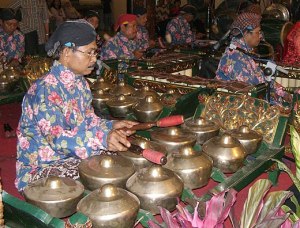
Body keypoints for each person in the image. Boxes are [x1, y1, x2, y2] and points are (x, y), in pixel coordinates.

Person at [16, 20, 137, 191]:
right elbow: (58, 141)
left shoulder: (80, 83)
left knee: (123, 161)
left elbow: (88, 121)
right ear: (66, 52)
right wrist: (102, 137)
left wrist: (111, 125)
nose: (94, 58)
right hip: (43, 167)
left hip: (72, 156)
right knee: (104, 178)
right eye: (89, 52)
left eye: (95, 52)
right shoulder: (45, 90)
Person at [215, 12, 292, 105]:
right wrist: (278, 102)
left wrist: (283, 92)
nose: (260, 36)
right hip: (238, 108)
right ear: (246, 33)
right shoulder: (235, 58)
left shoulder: (244, 53)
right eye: (258, 32)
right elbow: (254, 93)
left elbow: (261, 78)